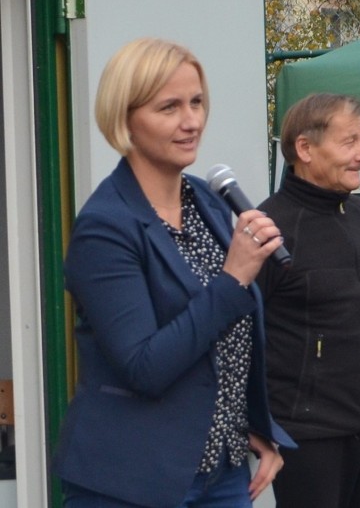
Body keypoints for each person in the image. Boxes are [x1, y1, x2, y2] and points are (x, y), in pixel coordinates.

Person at [52, 37, 295, 507]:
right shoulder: (104, 228)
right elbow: (145, 366)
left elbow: (226, 340)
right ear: (125, 119)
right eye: (169, 108)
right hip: (132, 481)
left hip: (220, 475)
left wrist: (248, 424)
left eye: (197, 102)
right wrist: (234, 278)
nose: (192, 122)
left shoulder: (206, 199)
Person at [256, 93, 360, 508]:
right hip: (311, 437)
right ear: (305, 148)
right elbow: (239, 332)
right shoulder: (269, 228)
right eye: (350, 142)